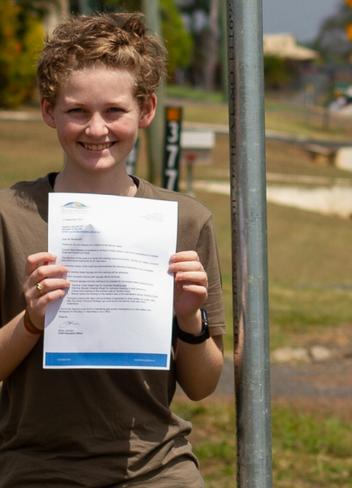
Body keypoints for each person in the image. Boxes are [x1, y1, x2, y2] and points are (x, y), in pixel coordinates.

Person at [0, 12, 225, 487]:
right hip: (37, 465)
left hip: (158, 465)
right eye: (77, 110)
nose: (96, 129)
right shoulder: (9, 216)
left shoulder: (186, 221)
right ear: (48, 111)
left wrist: (189, 320)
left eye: (115, 111)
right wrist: (33, 320)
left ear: (145, 110)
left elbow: (203, 386)